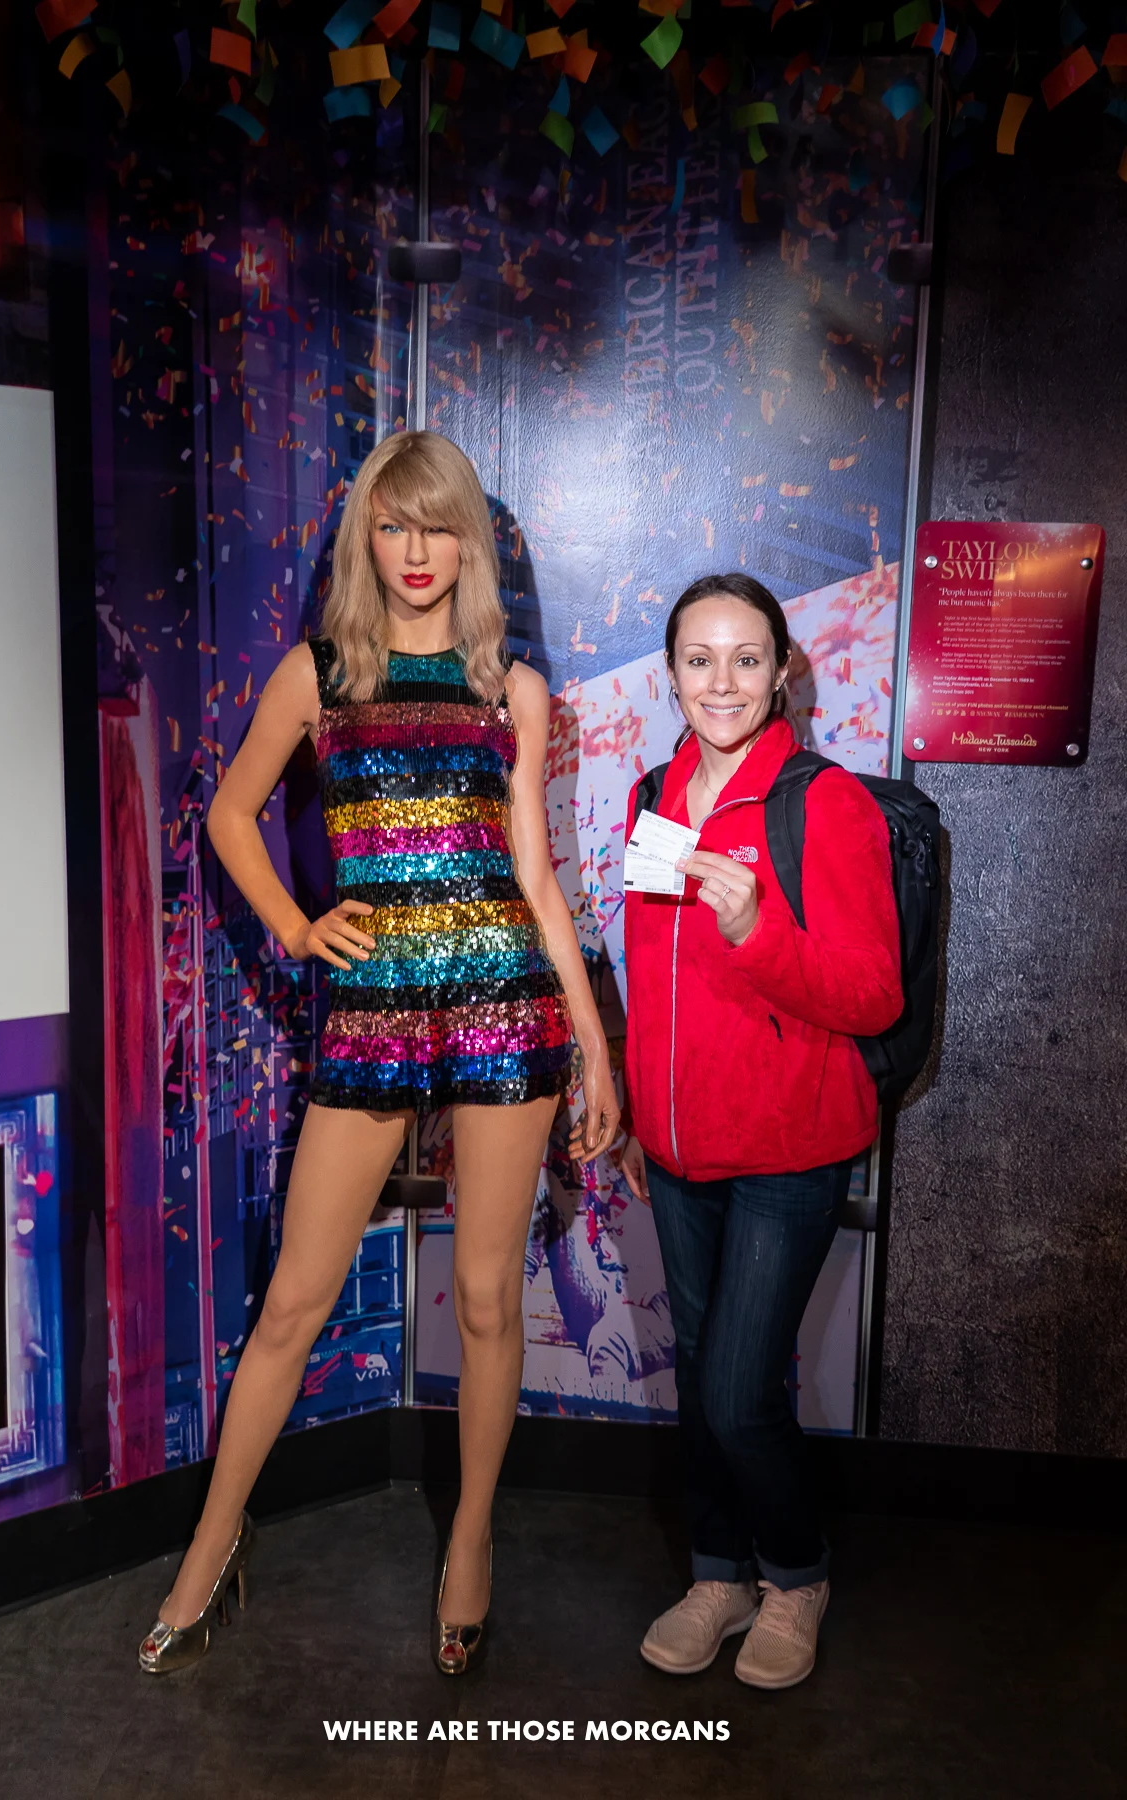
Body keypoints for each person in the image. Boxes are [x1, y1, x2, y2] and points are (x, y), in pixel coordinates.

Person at [138, 430, 618, 1676]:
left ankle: (469, 1544)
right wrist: (299, 927)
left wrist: (596, 1050)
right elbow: (230, 815)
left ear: (470, 540)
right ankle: (211, 1545)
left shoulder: (512, 687)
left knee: (484, 1299)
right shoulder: (320, 673)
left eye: (437, 526)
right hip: (372, 1013)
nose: (416, 552)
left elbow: (538, 883)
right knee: (294, 1301)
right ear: (366, 538)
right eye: (392, 528)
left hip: (506, 1005)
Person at [619, 573, 901, 1691]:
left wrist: (754, 927)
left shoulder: (824, 804)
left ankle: (795, 1575)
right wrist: (645, 1117)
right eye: (700, 659)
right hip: (681, 1150)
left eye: (747, 659)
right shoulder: (655, 794)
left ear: (783, 669)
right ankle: (718, 1570)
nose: (722, 681)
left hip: (791, 1150)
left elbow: (871, 992)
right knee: (700, 1374)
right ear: (672, 673)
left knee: (740, 1389)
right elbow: (648, 977)